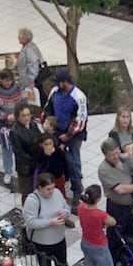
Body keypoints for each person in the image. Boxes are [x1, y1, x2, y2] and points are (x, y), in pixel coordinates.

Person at [22, 173, 73, 266]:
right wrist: (50, 222)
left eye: (52, 187)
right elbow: (31, 222)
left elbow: (66, 207)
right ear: (39, 188)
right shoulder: (32, 201)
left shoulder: (56, 193)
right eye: (48, 189)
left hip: (59, 238)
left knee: (62, 263)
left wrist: (65, 213)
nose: (51, 191)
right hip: (42, 242)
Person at [43, 68, 88, 204]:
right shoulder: (55, 92)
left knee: (73, 161)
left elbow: (80, 120)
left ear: (65, 82)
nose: (56, 85)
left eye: (58, 82)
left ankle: (77, 188)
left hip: (73, 136)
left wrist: (67, 135)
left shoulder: (79, 97)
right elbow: (48, 107)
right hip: (56, 132)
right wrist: (46, 122)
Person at [98, 137, 133, 255]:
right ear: (105, 155)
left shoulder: (125, 159)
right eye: (112, 155)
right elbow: (120, 189)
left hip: (132, 206)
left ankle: (129, 258)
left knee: (132, 233)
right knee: (115, 236)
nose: (116, 156)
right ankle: (113, 260)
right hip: (117, 208)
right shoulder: (104, 169)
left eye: (117, 152)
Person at [77, 184, 117, 266]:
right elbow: (113, 222)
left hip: (85, 242)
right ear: (99, 199)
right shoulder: (99, 214)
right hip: (99, 247)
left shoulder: (81, 207)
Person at [0, 68, 25, 186]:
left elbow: (25, 103)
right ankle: (8, 171)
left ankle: (22, 171)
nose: (8, 83)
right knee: (6, 149)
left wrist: (16, 115)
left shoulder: (19, 89)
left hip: (19, 123)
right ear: (0, 80)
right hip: (3, 125)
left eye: (10, 80)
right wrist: (4, 116)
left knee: (20, 148)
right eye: (5, 80)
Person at [9, 101, 41, 203]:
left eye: (28, 115)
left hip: (37, 163)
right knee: (27, 193)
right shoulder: (15, 131)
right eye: (23, 116)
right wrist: (33, 160)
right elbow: (20, 153)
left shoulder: (33, 125)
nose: (26, 118)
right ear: (17, 117)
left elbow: (40, 138)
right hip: (26, 168)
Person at [16, 27, 48, 107]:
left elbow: (32, 65)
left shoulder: (29, 49)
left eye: (19, 36)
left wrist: (31, 81)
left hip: (32, 82)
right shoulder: (27, 47)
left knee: (35, 101)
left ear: (24, 37)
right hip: (29, 81)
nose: (18, 38)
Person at [36, 133, 70, 198]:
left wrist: (67, 178)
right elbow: (41, 167)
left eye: (50, 143)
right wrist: (46, 156)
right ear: (41, 145)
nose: (49, 146)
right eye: (46, 144)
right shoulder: (40, 153)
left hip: (58, 178)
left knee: (61, 196)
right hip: (46, 181)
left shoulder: (58, 151)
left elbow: (65, 164)